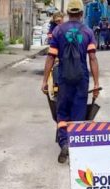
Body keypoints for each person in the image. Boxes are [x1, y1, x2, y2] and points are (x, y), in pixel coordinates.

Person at [42, 0, 101, 164]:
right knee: (78, 114)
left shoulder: (58, 31)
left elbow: (50, 57)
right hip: (81, 79)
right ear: (81, 14)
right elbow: (93, 58)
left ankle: (64, 143)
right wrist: (96, 84)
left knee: (62, 113)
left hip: (64, 78)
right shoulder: (88, 32)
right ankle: (75, 146)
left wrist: (45, 80)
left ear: (68, 14)